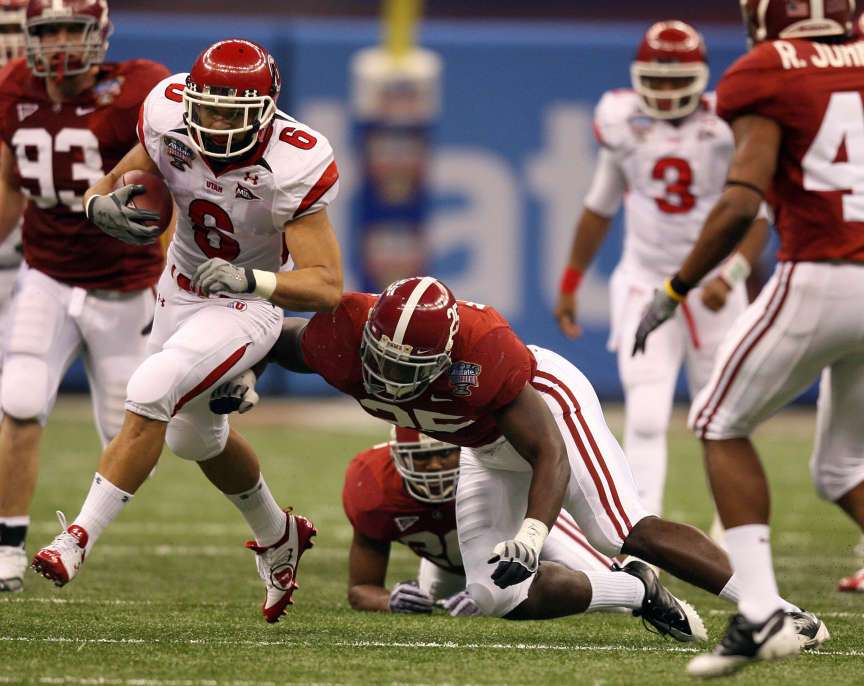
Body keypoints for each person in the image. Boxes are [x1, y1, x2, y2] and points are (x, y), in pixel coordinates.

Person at [212, 276, 825, 647]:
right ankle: (631, 588)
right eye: (383, 361)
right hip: (482, 444)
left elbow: (547, 451)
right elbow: (266, 334)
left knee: (622, 528)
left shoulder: (486, 356)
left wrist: (533, 535)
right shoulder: (337, 336)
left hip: (544, 410)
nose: (390, 380)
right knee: (496, 595)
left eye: (409, 370)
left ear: (447, 357)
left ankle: (777, 610)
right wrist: (244, 374)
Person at [30, 38, 343, 625]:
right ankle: (281, 536)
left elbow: (326, 285)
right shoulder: (169, 111)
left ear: (266, 112)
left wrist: (253, 279)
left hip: (249, 303)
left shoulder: (294, 159)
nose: (216, 123)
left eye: (233, 113)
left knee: (150, 387)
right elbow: (117, 180)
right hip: (179, 285)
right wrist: (100, 206)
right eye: (209, 108)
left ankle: (74, 540)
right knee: (193, 440)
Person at [632, 0, 860, 676]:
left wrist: (675, 289)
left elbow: (740, 201)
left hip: (823, 271)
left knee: (717, 418)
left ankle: (761, 612)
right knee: (841, 467)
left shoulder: (767, 69)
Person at [555, 20, 769, 520]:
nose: (667, 91)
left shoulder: (727, 125)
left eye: (677, 80)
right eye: (657, 79)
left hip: (713, 288)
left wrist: (732, 275)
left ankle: (730, 529)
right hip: (645, 284)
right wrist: (571, 280)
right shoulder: (622, 122)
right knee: (647, 414)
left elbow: (759, 215)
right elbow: (599, 205)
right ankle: (641, 525)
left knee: (725, 415)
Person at [0, 0, 169, 593]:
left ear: (100, 33)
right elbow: (9, 181)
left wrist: (176, 274)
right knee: (19, 399)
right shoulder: (11, 87)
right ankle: (8, 550)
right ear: (31, 36)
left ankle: (82, 535)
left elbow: (173, 181)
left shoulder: (136, 91)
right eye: (50, 30)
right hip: (46, 274)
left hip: (124, 287)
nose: (63, 41)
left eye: (74, 27)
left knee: (131, 434)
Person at [342, 426, 616, 616]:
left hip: (523, 536)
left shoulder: (485, 464)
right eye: (422, 457)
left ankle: (637, 575)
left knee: (615, 593)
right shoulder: (375, 485)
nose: (435, 465)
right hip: (452, 563)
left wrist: (488, 591)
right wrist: (388, 600)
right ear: (398, 456)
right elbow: (361, 588)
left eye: (444, 454)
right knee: (429, 603)